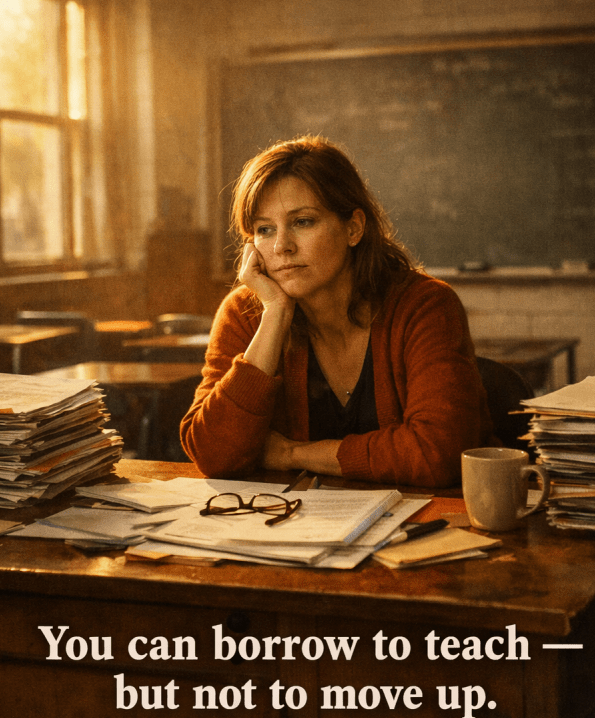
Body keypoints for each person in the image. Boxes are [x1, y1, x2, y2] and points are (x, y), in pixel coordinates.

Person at [180, 136, 494, 487]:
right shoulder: (247, 313)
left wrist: (291, 454)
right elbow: (211, 454)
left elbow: (438, 453)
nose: (282, 246)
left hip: (428, 526)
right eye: (265, 229)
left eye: (303, 222)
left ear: (354, 228)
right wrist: (276, 315)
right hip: (297, 529)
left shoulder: (424, 306)